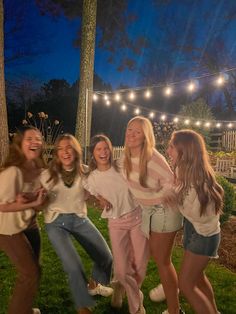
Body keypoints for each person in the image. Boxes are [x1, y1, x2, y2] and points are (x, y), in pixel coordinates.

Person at [40, 134, 113, 314]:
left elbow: (95, 191)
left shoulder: (86, 172)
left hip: (79, 218)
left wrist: (101, 198)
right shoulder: (48, 174)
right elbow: (36, 197)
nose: (65, 152)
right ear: (57, 153)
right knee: (73, 265)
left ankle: (93, 284)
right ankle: (83, 308)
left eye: (69, 147)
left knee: (106, 257)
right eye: (61, 148)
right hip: (55, 222)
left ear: (76, 150)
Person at [122, 116, 183, 314]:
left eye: (137, 132)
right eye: (129, 129)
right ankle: (167, 288)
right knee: (149, 257)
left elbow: (170, 182)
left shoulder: (151, 157)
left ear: (145, 137)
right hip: (149, 211)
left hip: (164, 211)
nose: (131, 134)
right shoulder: (128, 156)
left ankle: (174, 309)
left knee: (162, 261)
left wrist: (160, 195)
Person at [84, 134, 149, 314]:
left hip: (137, 218)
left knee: (140, 265)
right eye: (99, 149)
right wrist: (100, 199)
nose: (103, 152)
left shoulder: (121, 164)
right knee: (121, 270)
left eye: (106, 148)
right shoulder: (91, 178)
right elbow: (91, 194)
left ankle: (121, 289)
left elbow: (139, 158)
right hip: (116, 223)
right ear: (93, 153)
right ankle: (136, 304)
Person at [166, 129, 223, 314]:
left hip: (203, 236)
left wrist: (174, 197)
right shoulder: (186, 172)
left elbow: (197, 214)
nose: (168, 151)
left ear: (184, 151)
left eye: (171, 147)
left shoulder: (198, 181)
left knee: (186, 285)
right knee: (197, 278)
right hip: (196, 232)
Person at [0, 126, 47, 314]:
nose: (35, 142)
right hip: (8, 229)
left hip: (30, 224)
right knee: (30, 274)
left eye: (38, 138)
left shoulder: (40, 169)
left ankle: (24, 308)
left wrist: (38, 202)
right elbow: (2, 206)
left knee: (36, 271)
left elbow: (39, 205)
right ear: (20, 144)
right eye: (30, 138)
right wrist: (30, 203)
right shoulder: (12, 172)